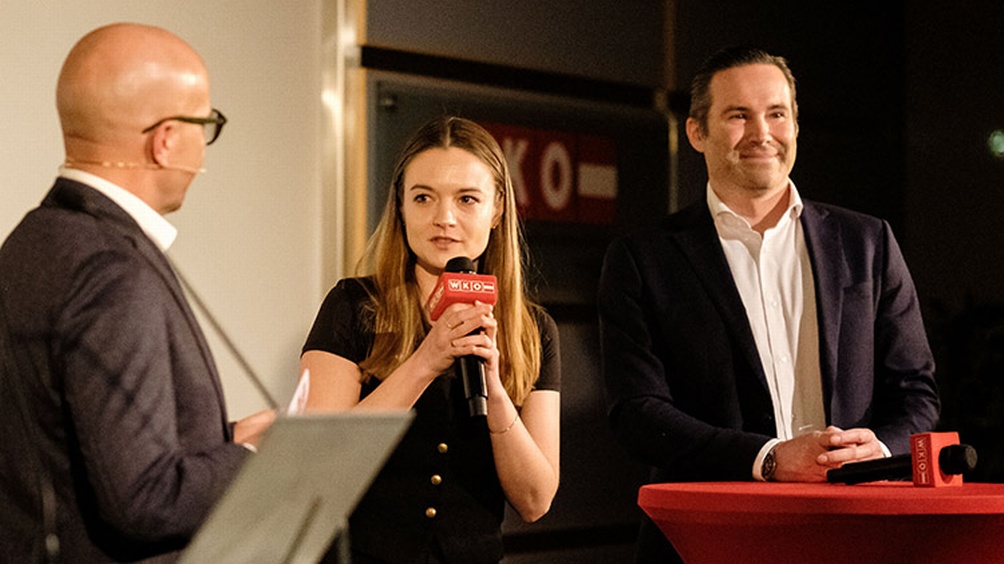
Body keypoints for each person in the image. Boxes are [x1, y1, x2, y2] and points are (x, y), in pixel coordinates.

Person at [598, 46, 940, 562]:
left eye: (776, 114)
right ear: (696, 132)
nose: (762, 133)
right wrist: (770, 459)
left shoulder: (868, 242)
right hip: (706, 542)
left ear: (796, 125)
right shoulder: (643, 257)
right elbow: (638, 414)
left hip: (854, 537)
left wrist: (883, 448)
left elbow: (917, 392)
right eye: (738, 115)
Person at [0, 23, 274, 562]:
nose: (204, 147)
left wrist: (220, 436)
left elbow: (79, 442)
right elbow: (145, 501)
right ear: (166, 140)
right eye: (207, 124)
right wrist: (250, 455)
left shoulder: (26, 245)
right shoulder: (112, 270)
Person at [300, 116, 560, 563]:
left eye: (467, 199)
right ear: (399, 207)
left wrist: (495, 391)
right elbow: (319, 467)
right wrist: (425, 361)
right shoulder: (353, 305)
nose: (444, 219)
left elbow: (536, 501)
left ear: (497, 208)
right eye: (423, 198)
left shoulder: (532, 329)